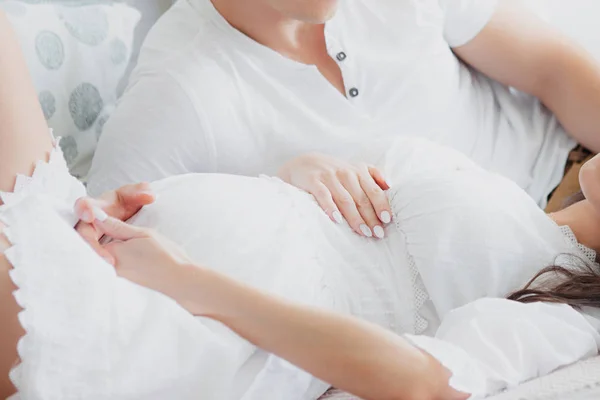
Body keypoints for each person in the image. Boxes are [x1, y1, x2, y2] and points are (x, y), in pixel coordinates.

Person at [1, 10, 600, 400]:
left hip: (164, 324)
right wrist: (295, 169)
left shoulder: (569, 303)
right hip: (132, 266)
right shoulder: (185, 88)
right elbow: (102, 212)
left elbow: (425, 382)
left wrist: (191, 283)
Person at [89, 0, 600, 239]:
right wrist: (281, 186)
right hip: (514, 259)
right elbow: (102, 246)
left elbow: (553, 70)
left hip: (576, 162)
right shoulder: (178, 92)